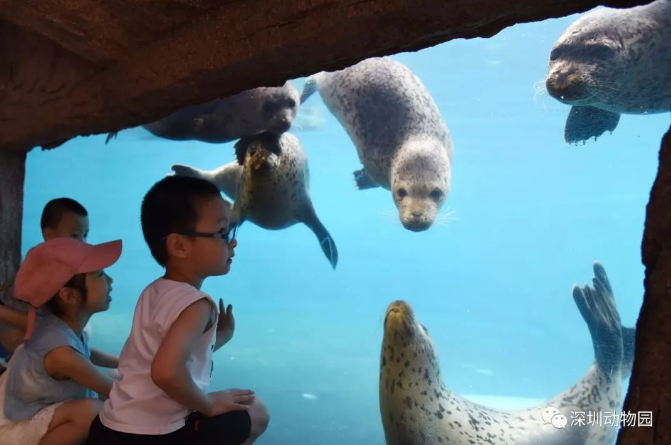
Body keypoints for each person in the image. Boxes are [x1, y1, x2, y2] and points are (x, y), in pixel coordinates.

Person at [88, 176, 269, 445]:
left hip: (110, 427)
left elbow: (172, 355)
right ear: (179, 246)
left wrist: (220, 337)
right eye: (223, 233)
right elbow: (165, 371)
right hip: (153, 435)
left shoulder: (153, 291)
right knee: (255, 411)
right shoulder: (197, 305)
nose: (233, 243)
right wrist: (208, 404)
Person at [0, 237, 123, 445]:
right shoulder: (60, 353)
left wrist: (125, 361)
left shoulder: (61, 327)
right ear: (69, 295)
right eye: (100, 274)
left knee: (119, 376)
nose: (110, 281)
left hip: (39, 411)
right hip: (16, 429)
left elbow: (87, 353)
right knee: (92, 412)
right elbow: (113, 390)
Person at [0, 198, 118, 372]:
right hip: (18, 339)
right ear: (49, 235)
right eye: (75, 235)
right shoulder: (43, 268)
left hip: (45, 335)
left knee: (81, 332)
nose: (83, 243)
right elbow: (38, 324)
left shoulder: (63, 268)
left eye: (85, 235)